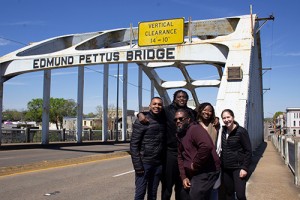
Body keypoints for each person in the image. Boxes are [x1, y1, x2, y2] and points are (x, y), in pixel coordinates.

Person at [138, 90, 197, 200]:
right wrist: (140, 114)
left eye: (184, 97)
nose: (181, 99)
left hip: (186, 153)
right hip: (170, 152)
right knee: (167, 185)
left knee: (183, 184)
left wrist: (216, 120)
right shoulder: (167, 110)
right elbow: (153, 113)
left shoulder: (191, 113)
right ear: (174, 98)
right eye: (179, 96)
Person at [176, 109, 221, 200]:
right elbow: (180, 156)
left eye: (181, 119)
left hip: (206, 171)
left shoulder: (195, 129)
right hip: (194, 172)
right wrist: (184, 177)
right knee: (184, 195)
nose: (177, 121)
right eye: (175, 120)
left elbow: (206, 146)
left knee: (195, 196)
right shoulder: (181, 134)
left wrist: (196, 164)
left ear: (188, 120)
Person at [130, 97, 166, 200]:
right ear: (149, 106)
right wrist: (137, 166)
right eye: (154, 104)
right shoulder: (142, 121)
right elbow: (134, 145)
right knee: (140, 194)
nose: (157, 106)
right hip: (144, 163)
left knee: (153, 194)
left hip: (158, 164)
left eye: (159, 104)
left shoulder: (163, 120)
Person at [220, 109, 252, 200]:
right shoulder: (222, 131)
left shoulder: (241, 131)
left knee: (240, 195)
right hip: (226, 168)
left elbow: (248, 151)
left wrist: (245, 168)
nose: (226, 120)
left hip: (238, 168)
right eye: (224, 118)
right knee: (229, 193)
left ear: (233, 117)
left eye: (228, 117)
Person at [196, 102, 221, 200]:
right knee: (200, 189)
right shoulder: (194, 124)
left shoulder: (215, 125)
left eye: (210, 111)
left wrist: (217, 118)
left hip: (213, 162)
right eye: (205, 110)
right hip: (199, 162)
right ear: (200, 111)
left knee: (214, 188)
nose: (207, 112)